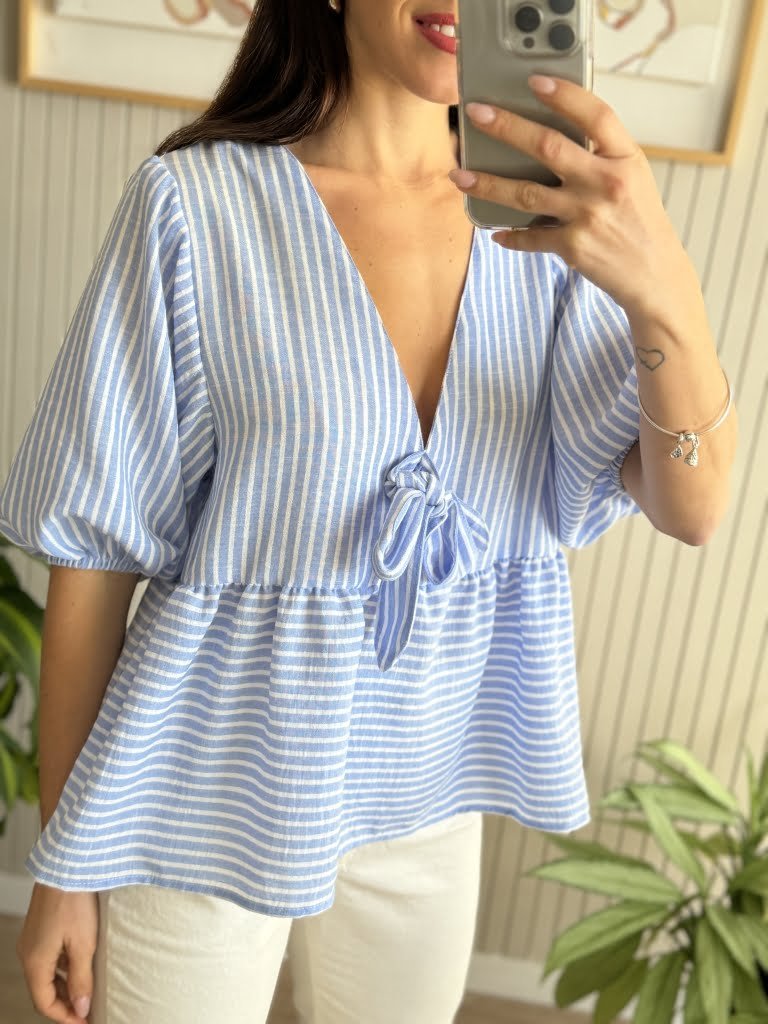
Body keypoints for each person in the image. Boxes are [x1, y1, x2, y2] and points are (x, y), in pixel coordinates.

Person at [1, 1, 737, 1022]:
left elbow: (693, 509)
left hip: (429, 797)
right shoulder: (195, 208)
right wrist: (66, 864)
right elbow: (94, 559)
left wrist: (666, 290)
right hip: (200, 794)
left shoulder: (551, 224)